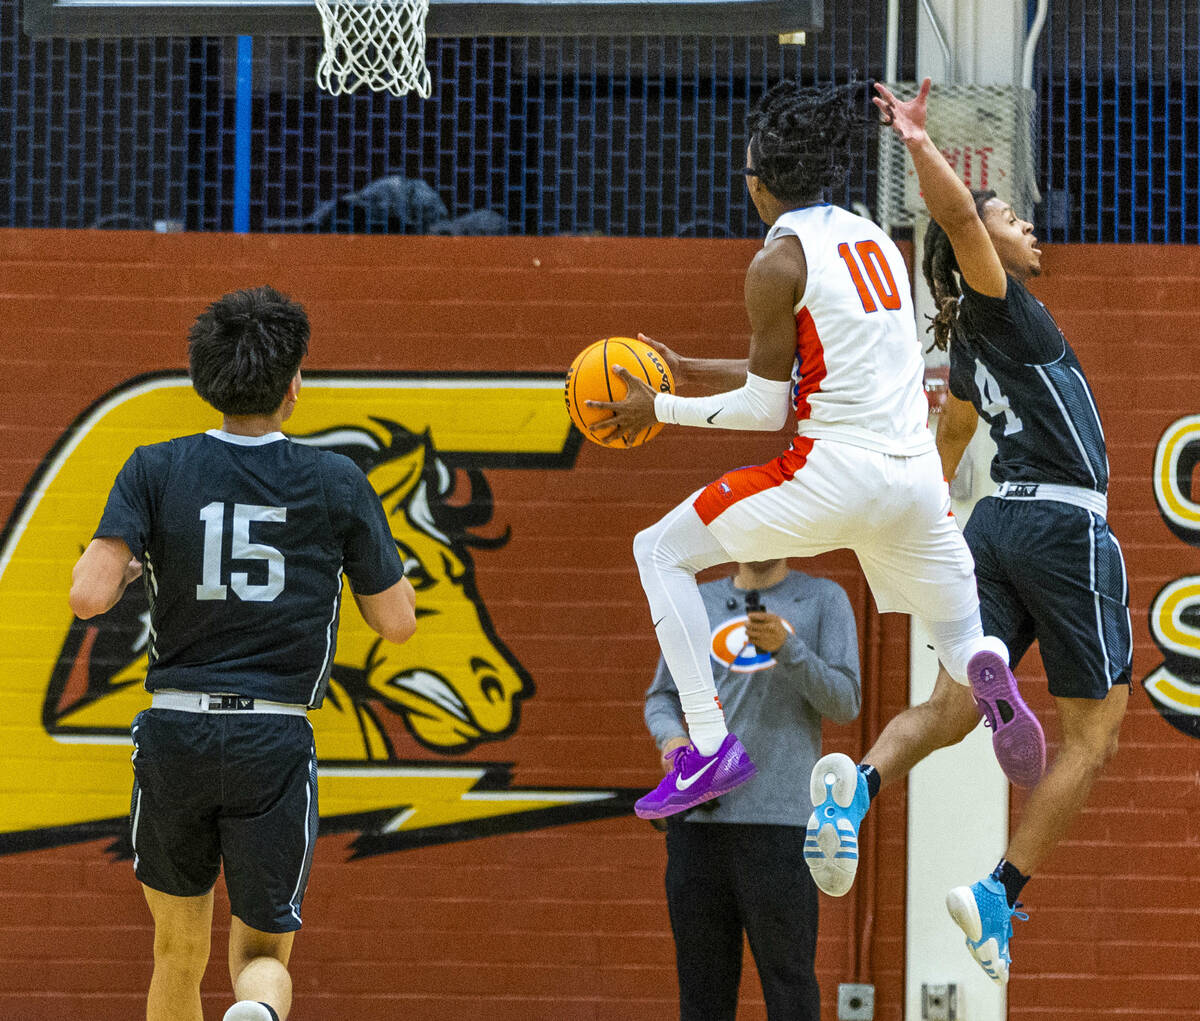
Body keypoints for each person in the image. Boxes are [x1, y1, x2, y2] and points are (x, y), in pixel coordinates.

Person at [588, 80, 1041, 824]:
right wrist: (695, 367)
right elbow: (814, 366)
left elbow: (767, 408)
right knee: (959, 635)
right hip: (916, 484)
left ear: (763, 187)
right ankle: (982, 667)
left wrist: (659, 407)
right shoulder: (875, 243)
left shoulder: (776, 264)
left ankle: (707, 745)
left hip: (830, 474)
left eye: (746, 177)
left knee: (659, 552)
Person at [810, 79, 1131, 986]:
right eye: (1008, 217)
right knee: (1093, 739)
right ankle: (997, 892)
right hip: (1066, 527)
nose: (1030, 226)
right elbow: (954, 219)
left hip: (992, 526)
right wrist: (917, 142)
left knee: (951, 711)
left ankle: (854, 790)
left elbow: (949, 439)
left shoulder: (970, 343)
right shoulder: (1000, 310)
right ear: (983, 245)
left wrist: (939, 530)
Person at [68, 286, 417, 1021]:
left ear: (205, 377)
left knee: (175, 950)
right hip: (273, 734)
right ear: (294, 385)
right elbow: (396, 624)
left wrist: (131, 566)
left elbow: (87, 597)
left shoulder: (153, 467)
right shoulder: (337, 482)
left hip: (176, 729)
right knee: (261, 954)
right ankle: (254, 1013)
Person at [644, 558, 861, 1021]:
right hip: (700, 823)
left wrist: (791, 650)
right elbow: (661, 697)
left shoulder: (823, 599)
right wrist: (673, 739)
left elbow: (846, 703)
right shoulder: (697, 603)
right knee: (702, 993)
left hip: (781, 825)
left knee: (790, 988)